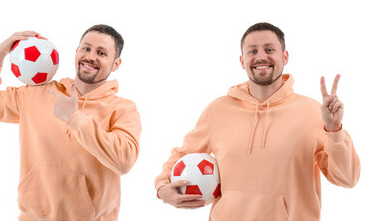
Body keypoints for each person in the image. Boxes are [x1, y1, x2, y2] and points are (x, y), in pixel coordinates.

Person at [154, 22, 360, 220]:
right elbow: (183, 154)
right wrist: (163, 187)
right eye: (252, 51)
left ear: (285, 57)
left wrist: (334, 130)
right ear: (242, 61)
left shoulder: (313, 112)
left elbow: (348, 179)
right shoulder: (217, 110)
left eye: (269, 49)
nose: (261, 56)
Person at [0, 25, 141, 221]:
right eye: (86, 49)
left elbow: (124, 161)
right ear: (76, 52)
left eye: (101, 53)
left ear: (115, 64)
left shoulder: (123, 109)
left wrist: (75, 119)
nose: (91, 57)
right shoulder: (38, 92)